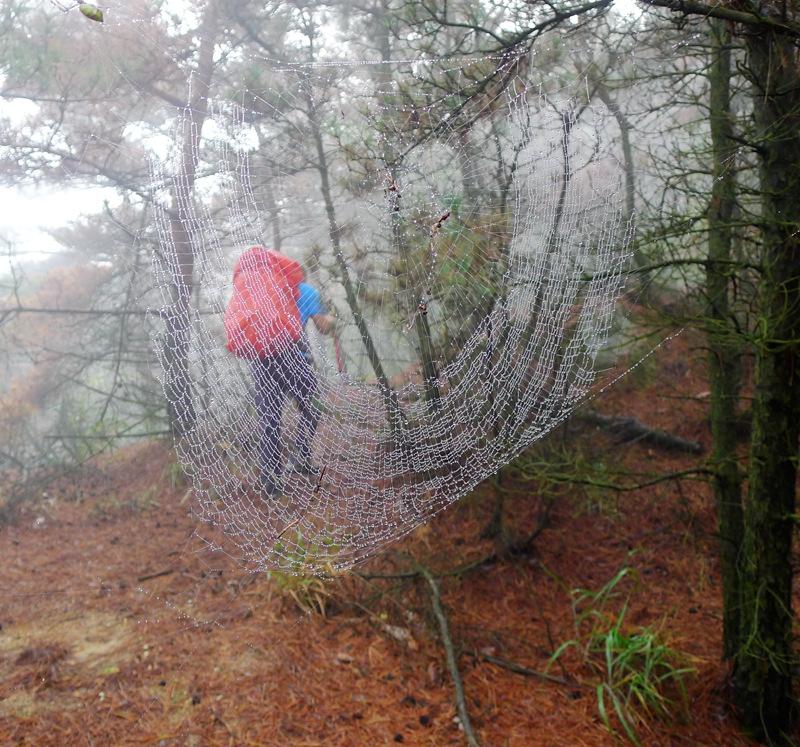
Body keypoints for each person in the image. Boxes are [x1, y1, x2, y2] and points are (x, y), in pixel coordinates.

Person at [224, 246, 322, 497]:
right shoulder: (305, 291)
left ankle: (271, 482)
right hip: (293, 355)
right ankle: (301, 454)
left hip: (261, 358)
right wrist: (333, 320)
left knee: (269, 419)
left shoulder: (259, 294)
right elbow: (323, 326)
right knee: (312, 405)